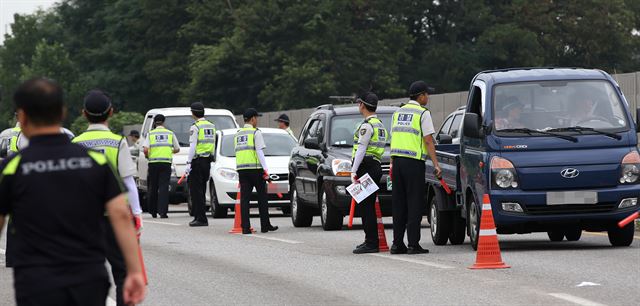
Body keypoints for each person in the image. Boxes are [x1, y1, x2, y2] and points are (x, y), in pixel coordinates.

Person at [0, 77, 145, 306]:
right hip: (87, 278)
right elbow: (120, 213)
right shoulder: (94, 161)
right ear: (62, 113)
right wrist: (135, 271)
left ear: (22, 117)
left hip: (36, 281)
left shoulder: (11, 167)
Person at [72, 90, 144, 306]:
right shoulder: (117, 142)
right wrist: (137, 214)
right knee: (122, 271)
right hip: (115, 219)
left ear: (84, 114)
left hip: (85, 220)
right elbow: (129, 182)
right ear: (111, 112)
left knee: (86, 272)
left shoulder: (75, 143)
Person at [389, 80, 442, 255]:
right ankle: (413, 244)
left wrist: (391, 163)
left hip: (397, 163)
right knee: (414, 203)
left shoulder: (398, 112)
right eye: (427, 94)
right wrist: (435, 164)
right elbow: (428, 140)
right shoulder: (422, 113)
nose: (428, 97)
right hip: (413, 163)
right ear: (421, 96)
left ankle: (397, 244)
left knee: (399, 204)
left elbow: (395, 138)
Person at [350, 92, 387, 254]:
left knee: (366, 207)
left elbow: (361, 149)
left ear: (362, 105)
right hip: (375, 166)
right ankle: (370, 240)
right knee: (368, 205)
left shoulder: (366, 126)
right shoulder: (379, 124)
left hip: (366, 167)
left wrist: (353, 171)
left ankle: (371, 242)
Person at [235, 108, 278, 234]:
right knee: (262, 198)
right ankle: (265, 226)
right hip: (255, 169)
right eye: (256, 118)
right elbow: (259, 152)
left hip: (242, 170)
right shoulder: (255, 133)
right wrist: (265, 170)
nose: (257, 121)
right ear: (253, 119)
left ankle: (245, 228)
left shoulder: (238, 134)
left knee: (244, 199)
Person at [142, 114, 180, 219]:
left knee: (153, 186)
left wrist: (147, 156)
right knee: (163, 187)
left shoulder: (150, 134)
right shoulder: (170, 133)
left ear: (154, 122)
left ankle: (153, 211)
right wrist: (169, 151)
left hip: (153, 163)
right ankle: (163, 212)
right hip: (166, 163)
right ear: (164, 122)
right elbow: (177, 148)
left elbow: (145, 149)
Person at [186, 102, 216, 227]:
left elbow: (193, 146)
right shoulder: (211, 126)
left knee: (196, 191)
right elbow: (213, 143)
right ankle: (200, 216)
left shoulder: (195, 127)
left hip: (197, 162)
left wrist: (188, 162)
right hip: (207, 161)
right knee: (202, 189)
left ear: (193, 113)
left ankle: (201, 218)